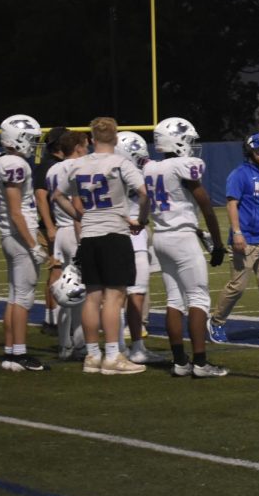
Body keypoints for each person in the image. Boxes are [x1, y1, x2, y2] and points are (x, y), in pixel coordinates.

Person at [145, 116, 228, 378]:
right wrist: (217, 244)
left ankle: (180, 362)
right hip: (182, 237)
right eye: (188, 140)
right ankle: (201, 363)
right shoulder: (184, 167)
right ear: (178, 141)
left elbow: (146, 204)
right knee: (199, 298)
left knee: (174, 299)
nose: (192, 145)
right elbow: (207, 208)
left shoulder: (151, 168)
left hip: (160, 236)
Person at [72, 117, 150, 376]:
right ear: (115, 139)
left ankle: (93, 356)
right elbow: (144, 192)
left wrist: (82, 217)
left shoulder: (78, 164)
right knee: (114, 298)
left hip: (89, 234)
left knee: (92, 298)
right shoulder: (120, 162)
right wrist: (141, 219)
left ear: (92, 139)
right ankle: (113, 356)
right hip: (113, 234)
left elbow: (58, 195)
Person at [0, 114, 49, 371]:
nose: (35, 145)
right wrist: (33, 244)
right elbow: (16, 211)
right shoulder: (15, 164)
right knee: (24, 297)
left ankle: (11, 351)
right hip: (19, 235)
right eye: (31, 139)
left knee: (15, 296)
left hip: (9, 234)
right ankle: (20, 355)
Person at [208, 132, 259, 344]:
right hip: (246, 240)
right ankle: (216, 321)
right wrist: (237, 232)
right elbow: (232, 204)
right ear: (250, 151)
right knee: (237, 287)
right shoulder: (240, 174)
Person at [115, 131, 168, 365]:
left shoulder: (104, 169)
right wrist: (142, 221)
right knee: (135, 294)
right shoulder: (134, 173)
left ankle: (113, 348)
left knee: (113, 295)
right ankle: (135, 347)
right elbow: (146, 197)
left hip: (110, 234)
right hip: (134, 234)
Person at [48, 130, 89, 359]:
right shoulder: (76, 167)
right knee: (79, 292)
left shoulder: (54, 168)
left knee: (67, 289)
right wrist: (84, 238)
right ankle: (79, 344)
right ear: (78, 147)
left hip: (61, 231)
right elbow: (77, 206)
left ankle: (64, 344)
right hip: (74, 230)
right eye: (85, 145)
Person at [32, 126, 69, 335]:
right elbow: (40, 197)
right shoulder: (47, 166)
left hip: (61, 224)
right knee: (57, 270)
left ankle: (56, 317)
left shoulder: (59, 164)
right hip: (54, 226)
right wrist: (49, 225)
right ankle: (51, 318)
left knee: (63, 270)